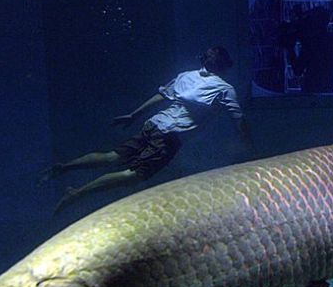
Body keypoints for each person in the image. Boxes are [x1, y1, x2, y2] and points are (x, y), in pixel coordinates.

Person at [41, 46, 249, 212]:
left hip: (154, 124)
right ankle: (77, 193)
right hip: (169, 136)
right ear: (225, 65)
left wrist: (134, 115)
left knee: (112, 157)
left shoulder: (186, 75)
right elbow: (238, 119)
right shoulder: (224, 89)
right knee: (133, 175)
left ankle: (65, 167)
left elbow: (162, 95)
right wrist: (247, 145)